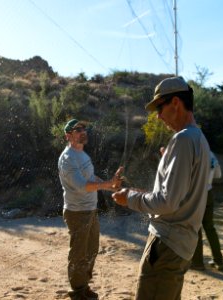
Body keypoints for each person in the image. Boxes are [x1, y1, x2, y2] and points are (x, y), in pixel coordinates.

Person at [112, 76, 210, 300]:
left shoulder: (183, 140)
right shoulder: (199, 139)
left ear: (175, 102)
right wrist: (136, 192)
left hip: (166, 245)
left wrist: (130, 198)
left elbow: (167, 202)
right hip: (181, 246)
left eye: (160, 107)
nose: (158, 115)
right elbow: (177, 197)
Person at [58, 119, 123, 300]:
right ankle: (77, 291)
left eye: (84, 128)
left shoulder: (83, 155)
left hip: (90, 209)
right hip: (77, 212)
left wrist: (111, 186)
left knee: (91, 250)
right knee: (79, 253)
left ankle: (83, 285)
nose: (83, 131)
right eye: (78, 129)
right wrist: (107, 184)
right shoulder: (68, 158)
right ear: (68, 136)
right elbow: (81, 185)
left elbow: (91, 177)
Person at [191, 151, 223, 271]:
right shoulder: (210, 154)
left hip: (195, 194)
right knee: (210, 227)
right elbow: (218, 174)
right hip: (208, 193)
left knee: (196, 227)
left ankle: (197, 262)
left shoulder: (192, 152)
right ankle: (218, 261)